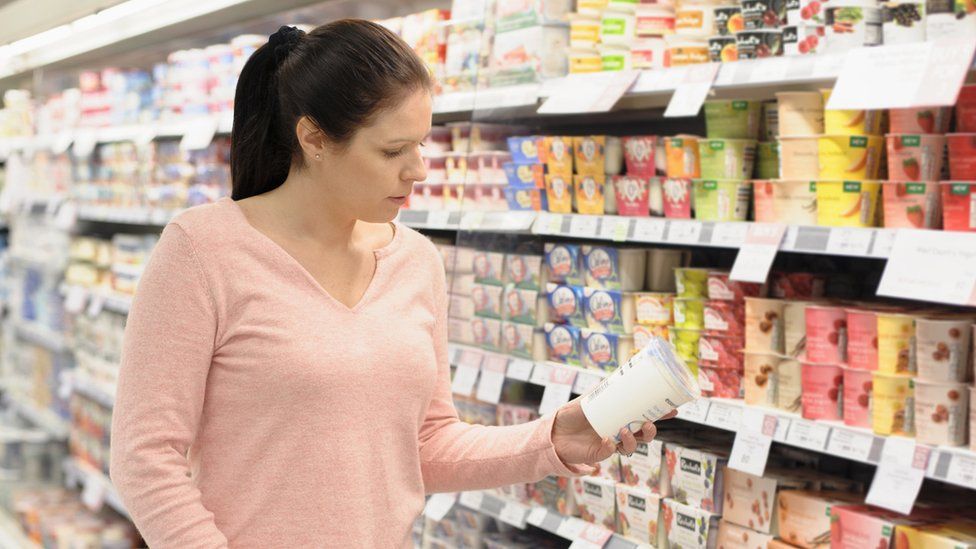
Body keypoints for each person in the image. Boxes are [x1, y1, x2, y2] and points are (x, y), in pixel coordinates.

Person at [110, 20, 667, 548]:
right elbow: (146, 458)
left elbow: (425, 445)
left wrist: (552, 437)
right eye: (393, 150)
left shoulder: (416, 262)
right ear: (314, 139)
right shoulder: (203, 250)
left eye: (422, 143)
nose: (419, 169)